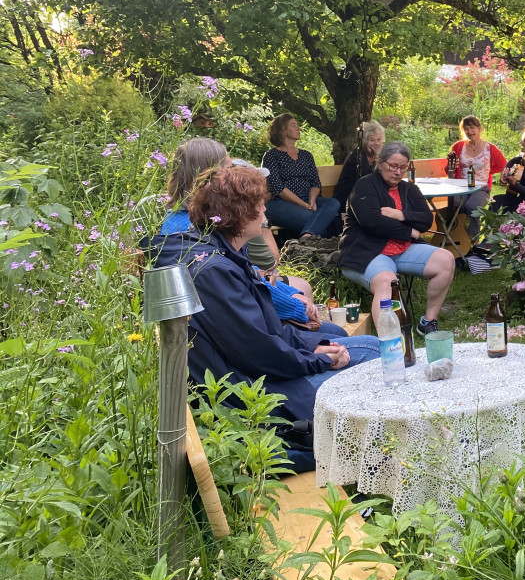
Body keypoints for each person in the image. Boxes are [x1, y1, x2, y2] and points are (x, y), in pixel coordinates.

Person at [147, 165, 381, 473]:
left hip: (266, 371)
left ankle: (377, 445)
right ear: (240, 214)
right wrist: (317, 360)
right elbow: (257, 353)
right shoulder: (215, 272)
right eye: (259, 204)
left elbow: (267, 331)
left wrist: (316, 346)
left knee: (371, 347)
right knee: (377, 360)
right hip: (258, 396)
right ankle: (377, 453)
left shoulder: (223, 252)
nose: (265, 209)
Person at [162, 137, 331, 331]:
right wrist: (295, 306)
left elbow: (250, 272)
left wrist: (290, 294)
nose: (233, 174)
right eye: (228, 168)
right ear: (207, 177)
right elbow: (248, 281)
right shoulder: (195, 229)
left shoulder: (191, 218)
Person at [339, 142, 455, 335]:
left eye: (403, 167)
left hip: (402, 250)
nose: (398, 171)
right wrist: (409, 232)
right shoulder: (365, 185)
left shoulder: (410, 189)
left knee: (446, 259)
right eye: (393, 166)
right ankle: (389, 341)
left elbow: (426, 220)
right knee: (387, 281)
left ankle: (428, 322)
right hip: (367, 252)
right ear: (380, 162)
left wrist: (399, 214)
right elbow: (372, 221)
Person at [261, 113, 341, 238]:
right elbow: (278, 188)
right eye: (294, 125)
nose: (299, 129)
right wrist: (304, 206)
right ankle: (310, 237)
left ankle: (307, 235)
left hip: (306, 199)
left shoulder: (306, 155)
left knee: (333, 204)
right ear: (282, 131)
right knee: (321, 219)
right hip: (280, 203)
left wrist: (312, 200)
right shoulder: (271, 156)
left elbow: (315, 182)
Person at [447, 115, 508, 238]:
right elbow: (449, 169)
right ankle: (457, 236)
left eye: (472, 128)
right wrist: (450, 167)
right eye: (466, 129)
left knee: (472, 207)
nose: (469, 131)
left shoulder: (490, 148)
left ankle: (473, 239)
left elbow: (504, 165)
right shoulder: (458, 147)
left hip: (482, 188)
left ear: (479, 128)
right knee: (457, 203)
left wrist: (489, 171)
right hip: (461, 187)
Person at [332, 119, 386, 212]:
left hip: (363, 200)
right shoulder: (357, 157)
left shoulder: (376, 156)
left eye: (379, 140)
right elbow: (368, 183)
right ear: (364, 141)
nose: (376, 143)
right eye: (372, 140)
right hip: (346, 204)